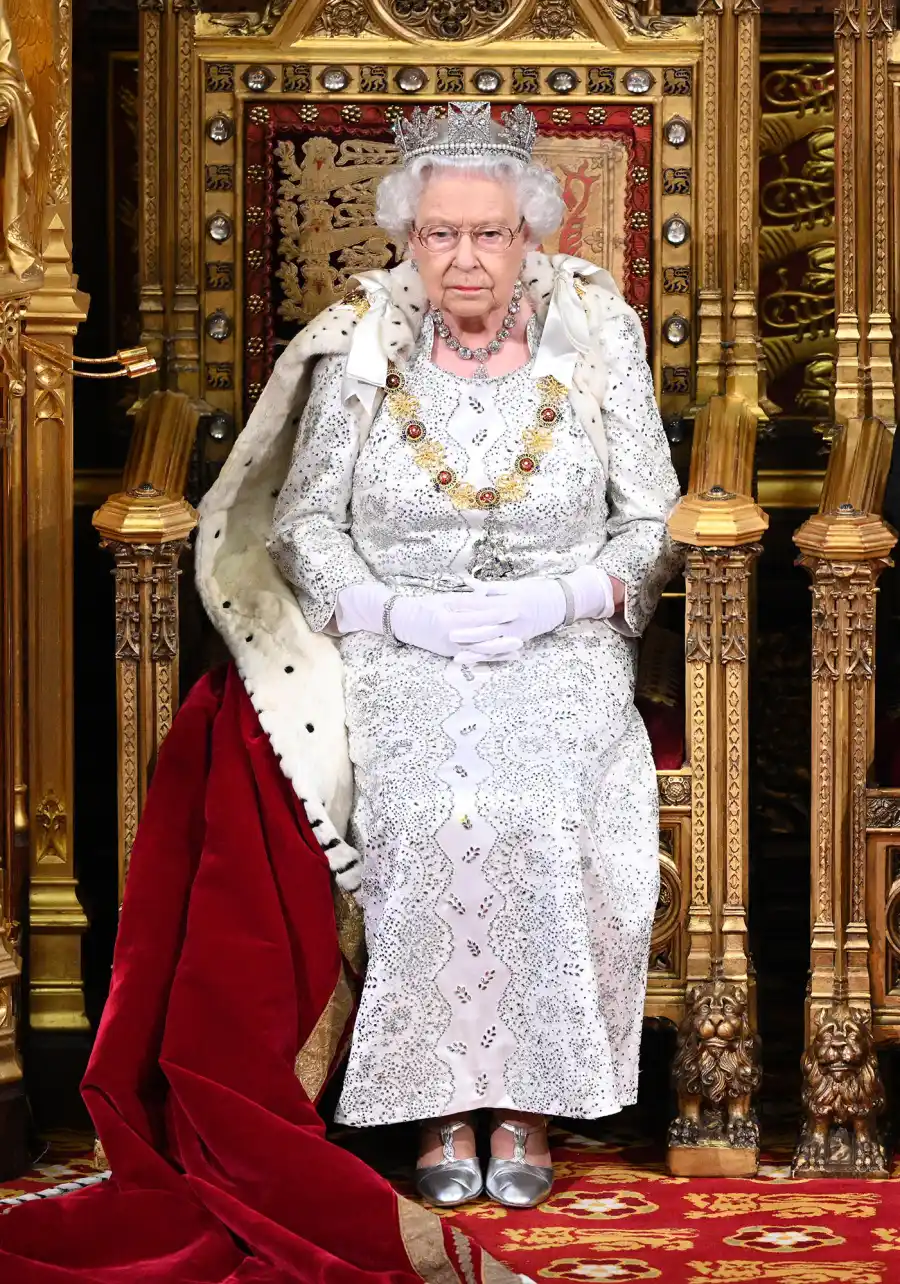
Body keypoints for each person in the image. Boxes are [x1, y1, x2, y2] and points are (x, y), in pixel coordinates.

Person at [196, 100, 682, 1210]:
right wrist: (387, 614)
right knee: (428, 808)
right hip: (400, 639)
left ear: (532, 235)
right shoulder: (363, 343)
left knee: (531, 802)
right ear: (409, 239)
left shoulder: (596, 339)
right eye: (439, 235)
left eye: (490, 233)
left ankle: (528, 1101)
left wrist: (570, 595)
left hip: (559, 642)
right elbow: (306, 520)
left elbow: (653, 518)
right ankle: (437, 1107)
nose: (465, 258)